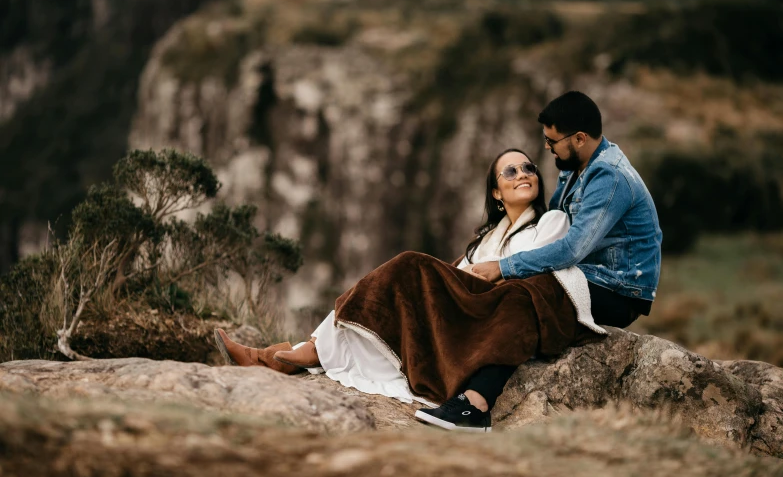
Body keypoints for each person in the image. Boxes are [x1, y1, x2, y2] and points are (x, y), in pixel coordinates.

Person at [215, 147, 606, 432]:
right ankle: (298, 352)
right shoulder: (483, 241)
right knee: (397, 285)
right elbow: (463, 276)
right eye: (510, 172)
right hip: (466, 313)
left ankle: (297, 354)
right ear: (496, 194)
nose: (523, 174)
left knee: (410, 265)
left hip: (492, 312)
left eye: (528, 167)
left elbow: (529, 272)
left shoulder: (551, 222)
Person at [451, 90, 663, 423]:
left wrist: (504, 267)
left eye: (552, 141)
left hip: (619, 290)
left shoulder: (609, 176)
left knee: (527, 298)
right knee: (521, 291)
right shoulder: (576, 165)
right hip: (585, 275)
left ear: (579, 138)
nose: (547, 148)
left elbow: (571, 248)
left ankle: (475, 406)